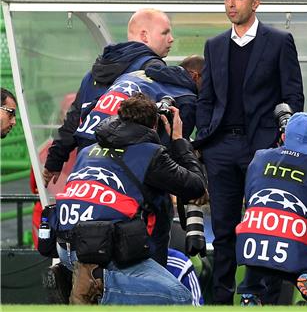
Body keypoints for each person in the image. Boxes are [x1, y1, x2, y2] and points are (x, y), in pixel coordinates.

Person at [194, 0, 304, 304]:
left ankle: (265, 298)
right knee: (225, 230)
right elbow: (206, 97)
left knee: (265, 227)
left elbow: (293, 95)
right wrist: (204, 137)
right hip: (221, 148)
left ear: (255, 3)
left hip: (264, 149)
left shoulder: (280, 41)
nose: (231, 3)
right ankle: (222, 299)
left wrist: (280, 139)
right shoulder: (214, 45)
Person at [55, 93, 207, 305]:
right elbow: (196, 186)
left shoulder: (88, 150)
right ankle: (97, 283)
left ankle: (91, 283)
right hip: (104, 251)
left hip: (65, 248)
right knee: (179, 297)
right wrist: (179, 140)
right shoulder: (149, 153)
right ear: (154, 124)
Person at [43, 8, 172, 187]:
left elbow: (74, 121)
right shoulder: (150, 71)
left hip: (89, 169)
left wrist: (54, 160)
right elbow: (168, 122)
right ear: (144, 35)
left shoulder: (94, 72)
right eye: (165, 33)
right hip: (129, 174)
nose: (171, 39)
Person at [235, 112, 307, 306]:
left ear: (283, 136)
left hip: (251, 243)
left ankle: (250, 294)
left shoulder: (260, 157)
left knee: (262, 256)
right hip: (294, 245)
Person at [74, 55, 204, 147]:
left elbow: (91, 106)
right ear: (194, 75)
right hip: (118, 146)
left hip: (88, 138)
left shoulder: (137, 74)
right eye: (207, 79)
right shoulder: (187, 99)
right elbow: (175, 147)